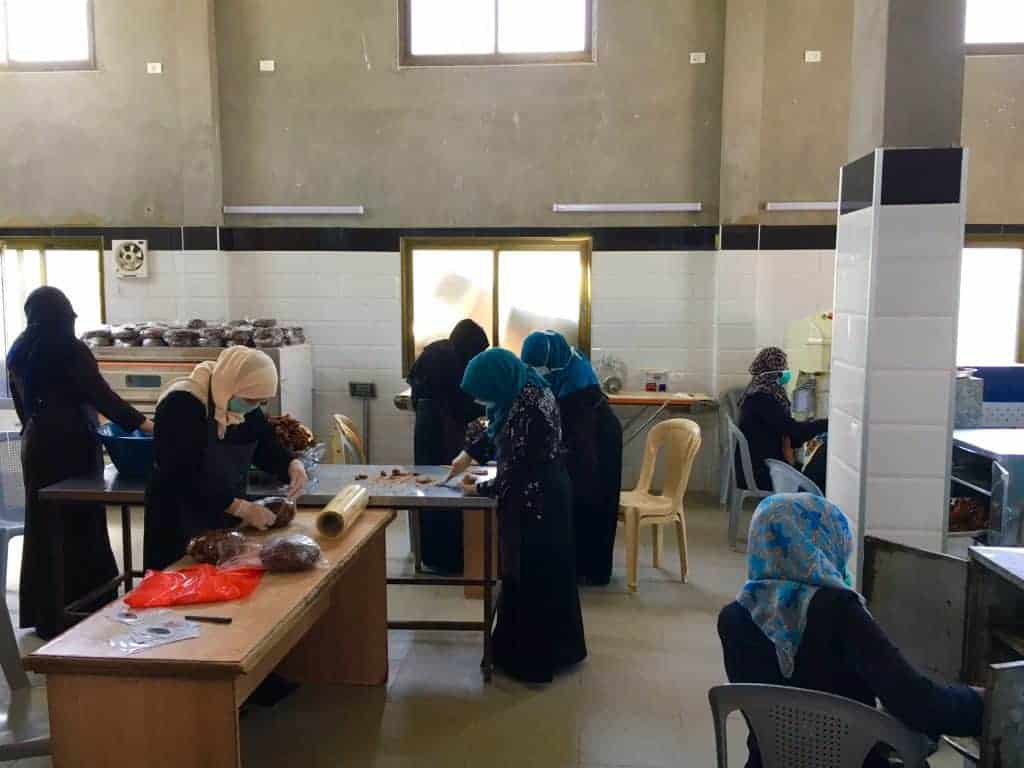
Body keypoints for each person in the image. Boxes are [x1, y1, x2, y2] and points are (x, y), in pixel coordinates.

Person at [718, 494, 984, 768]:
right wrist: (981, 703)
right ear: (824, 541)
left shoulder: (734, 618)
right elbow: (917, 704)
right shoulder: (839, 611)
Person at [6, 287, 153, 639]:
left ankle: (49, 615)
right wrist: (146, 425)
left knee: (45, 526)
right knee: (82, 521)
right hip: (71, 443)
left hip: (37, 444)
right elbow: (101, 395)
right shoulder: (70, 349)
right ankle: (88, 607)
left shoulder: (18, 350)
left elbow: (21, 407)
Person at [457, 349, 587, 683]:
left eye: (483, 392)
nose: (482, 401)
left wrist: (480, 489)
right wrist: (467, 456)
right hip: (542, 492)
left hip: (539, 499)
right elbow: (496, 425)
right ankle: (558, 649)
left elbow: (519, 469)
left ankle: (531, 661)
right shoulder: (522, 385)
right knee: (537, 575)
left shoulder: (530, 406)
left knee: (534, 576)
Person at [144, 346, 307, 570]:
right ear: (233, 386)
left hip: (223, 514)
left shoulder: (242, 405)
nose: (254, 407)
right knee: (178, 582)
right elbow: (179, 472)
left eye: (261, 401)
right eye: (251, 400)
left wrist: (291, 464)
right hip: (179, 517)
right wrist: (240, 508)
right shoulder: (181, 403)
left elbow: (264, 445)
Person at [521, 331, 622, 586]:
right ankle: (576, 566)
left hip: (598, 436)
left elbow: (567, 420)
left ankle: (591, 570)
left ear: (552, 361)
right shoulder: (564, 364)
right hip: (584, 433)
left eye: (539, 366)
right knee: (575, 499)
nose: (537, 372)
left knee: (592, 500)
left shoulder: (576, 378)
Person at [406, 319, 489, 573]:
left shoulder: (438, 350)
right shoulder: (453, 363)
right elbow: (463, 404)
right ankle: (449, 558)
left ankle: (429, 554)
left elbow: (414, 383)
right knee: (447, 488)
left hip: (426, 429)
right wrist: (489, 407)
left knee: (431, 486)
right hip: (441, 432)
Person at [737, 347, 826, 491]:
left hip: (760, 463)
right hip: (764, 471)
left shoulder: (756, 391)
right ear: (775, 372)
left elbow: (788, 430)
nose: (787, 372)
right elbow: (793, 431)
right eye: (784, 368)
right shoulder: (763, 399)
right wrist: (826, 424)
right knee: (822, 461)